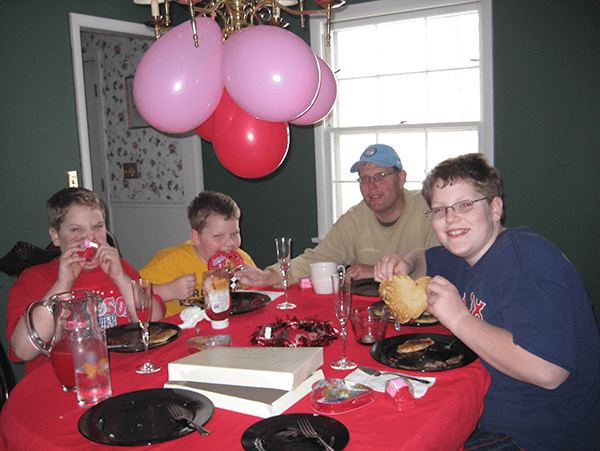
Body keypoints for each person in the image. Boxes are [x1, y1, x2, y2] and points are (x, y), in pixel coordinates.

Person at [374, 153, 600, 451]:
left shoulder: (529, 263)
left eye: (465, 205)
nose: (451, 218)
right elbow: (424, 257)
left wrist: (460, 319)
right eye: (440, 210)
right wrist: (405, 262)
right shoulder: (466, 253)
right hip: (483, 410)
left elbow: (549, 372)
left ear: (495, 208)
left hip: (538, 436)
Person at [6, 188, 165, 376]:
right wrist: (63, 283)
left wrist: (120, 278)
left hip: (123, 373)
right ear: (56, 236)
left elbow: (155, 324)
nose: (90, 238)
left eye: (97, 227)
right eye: (76, 229)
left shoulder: (119, 268)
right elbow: (23, 350)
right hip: (62, 382)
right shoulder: (34, 278)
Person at [236, 144, 439, 287]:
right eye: (364, 179)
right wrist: (269, 275)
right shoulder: (354, 219)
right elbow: (317, 259)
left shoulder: (430, 209)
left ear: (402, 178)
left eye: (381, 176)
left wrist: (375, 271)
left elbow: (442, 265)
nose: (372, 186)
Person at [140, 191, 257, 317]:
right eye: (218, 236)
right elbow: (130, 294)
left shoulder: (242, 260)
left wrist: (255, 284)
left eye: (234, 234)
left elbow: (262, 295)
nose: (229, 243)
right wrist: (168, 291)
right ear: (196, 237)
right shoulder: (170, 262)